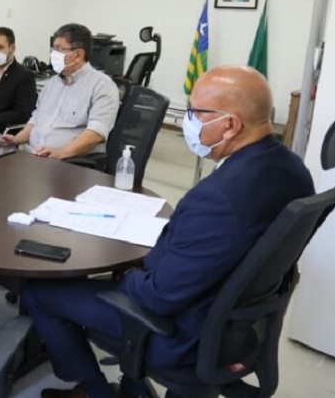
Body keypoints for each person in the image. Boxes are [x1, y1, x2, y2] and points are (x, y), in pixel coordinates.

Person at [23, 65, 315, 398]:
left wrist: (124, 275)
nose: (187, 121)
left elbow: (158, 297)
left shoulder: (219, 198)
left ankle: (94, 391)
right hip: (231, 321)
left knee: (39, 291)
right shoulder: (293, 170)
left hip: (180, 332)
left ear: (230, 124)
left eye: (194, 112)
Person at [0, 23, 119, 159]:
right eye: (53, 49)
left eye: (59, 49)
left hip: (68, 163)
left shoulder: (102, 85)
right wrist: (16, 139)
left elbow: (95, 134)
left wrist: (61, 152)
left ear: (78, 55)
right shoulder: (52, 84)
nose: (53, 54)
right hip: (32, 156)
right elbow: (36, 119)